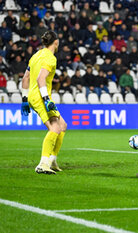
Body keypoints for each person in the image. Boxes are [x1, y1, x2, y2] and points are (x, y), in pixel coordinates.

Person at [20, 31, 67, 175]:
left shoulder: (35, 56)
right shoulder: (50, 58)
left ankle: (52, 160)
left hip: (33, 96)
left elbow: (25, 78)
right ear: (56, 42)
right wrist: (46, 100)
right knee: (54, 127)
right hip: (41, 97)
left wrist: (24, 99)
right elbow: (41, 79)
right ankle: (43, 163)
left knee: (62, 125)